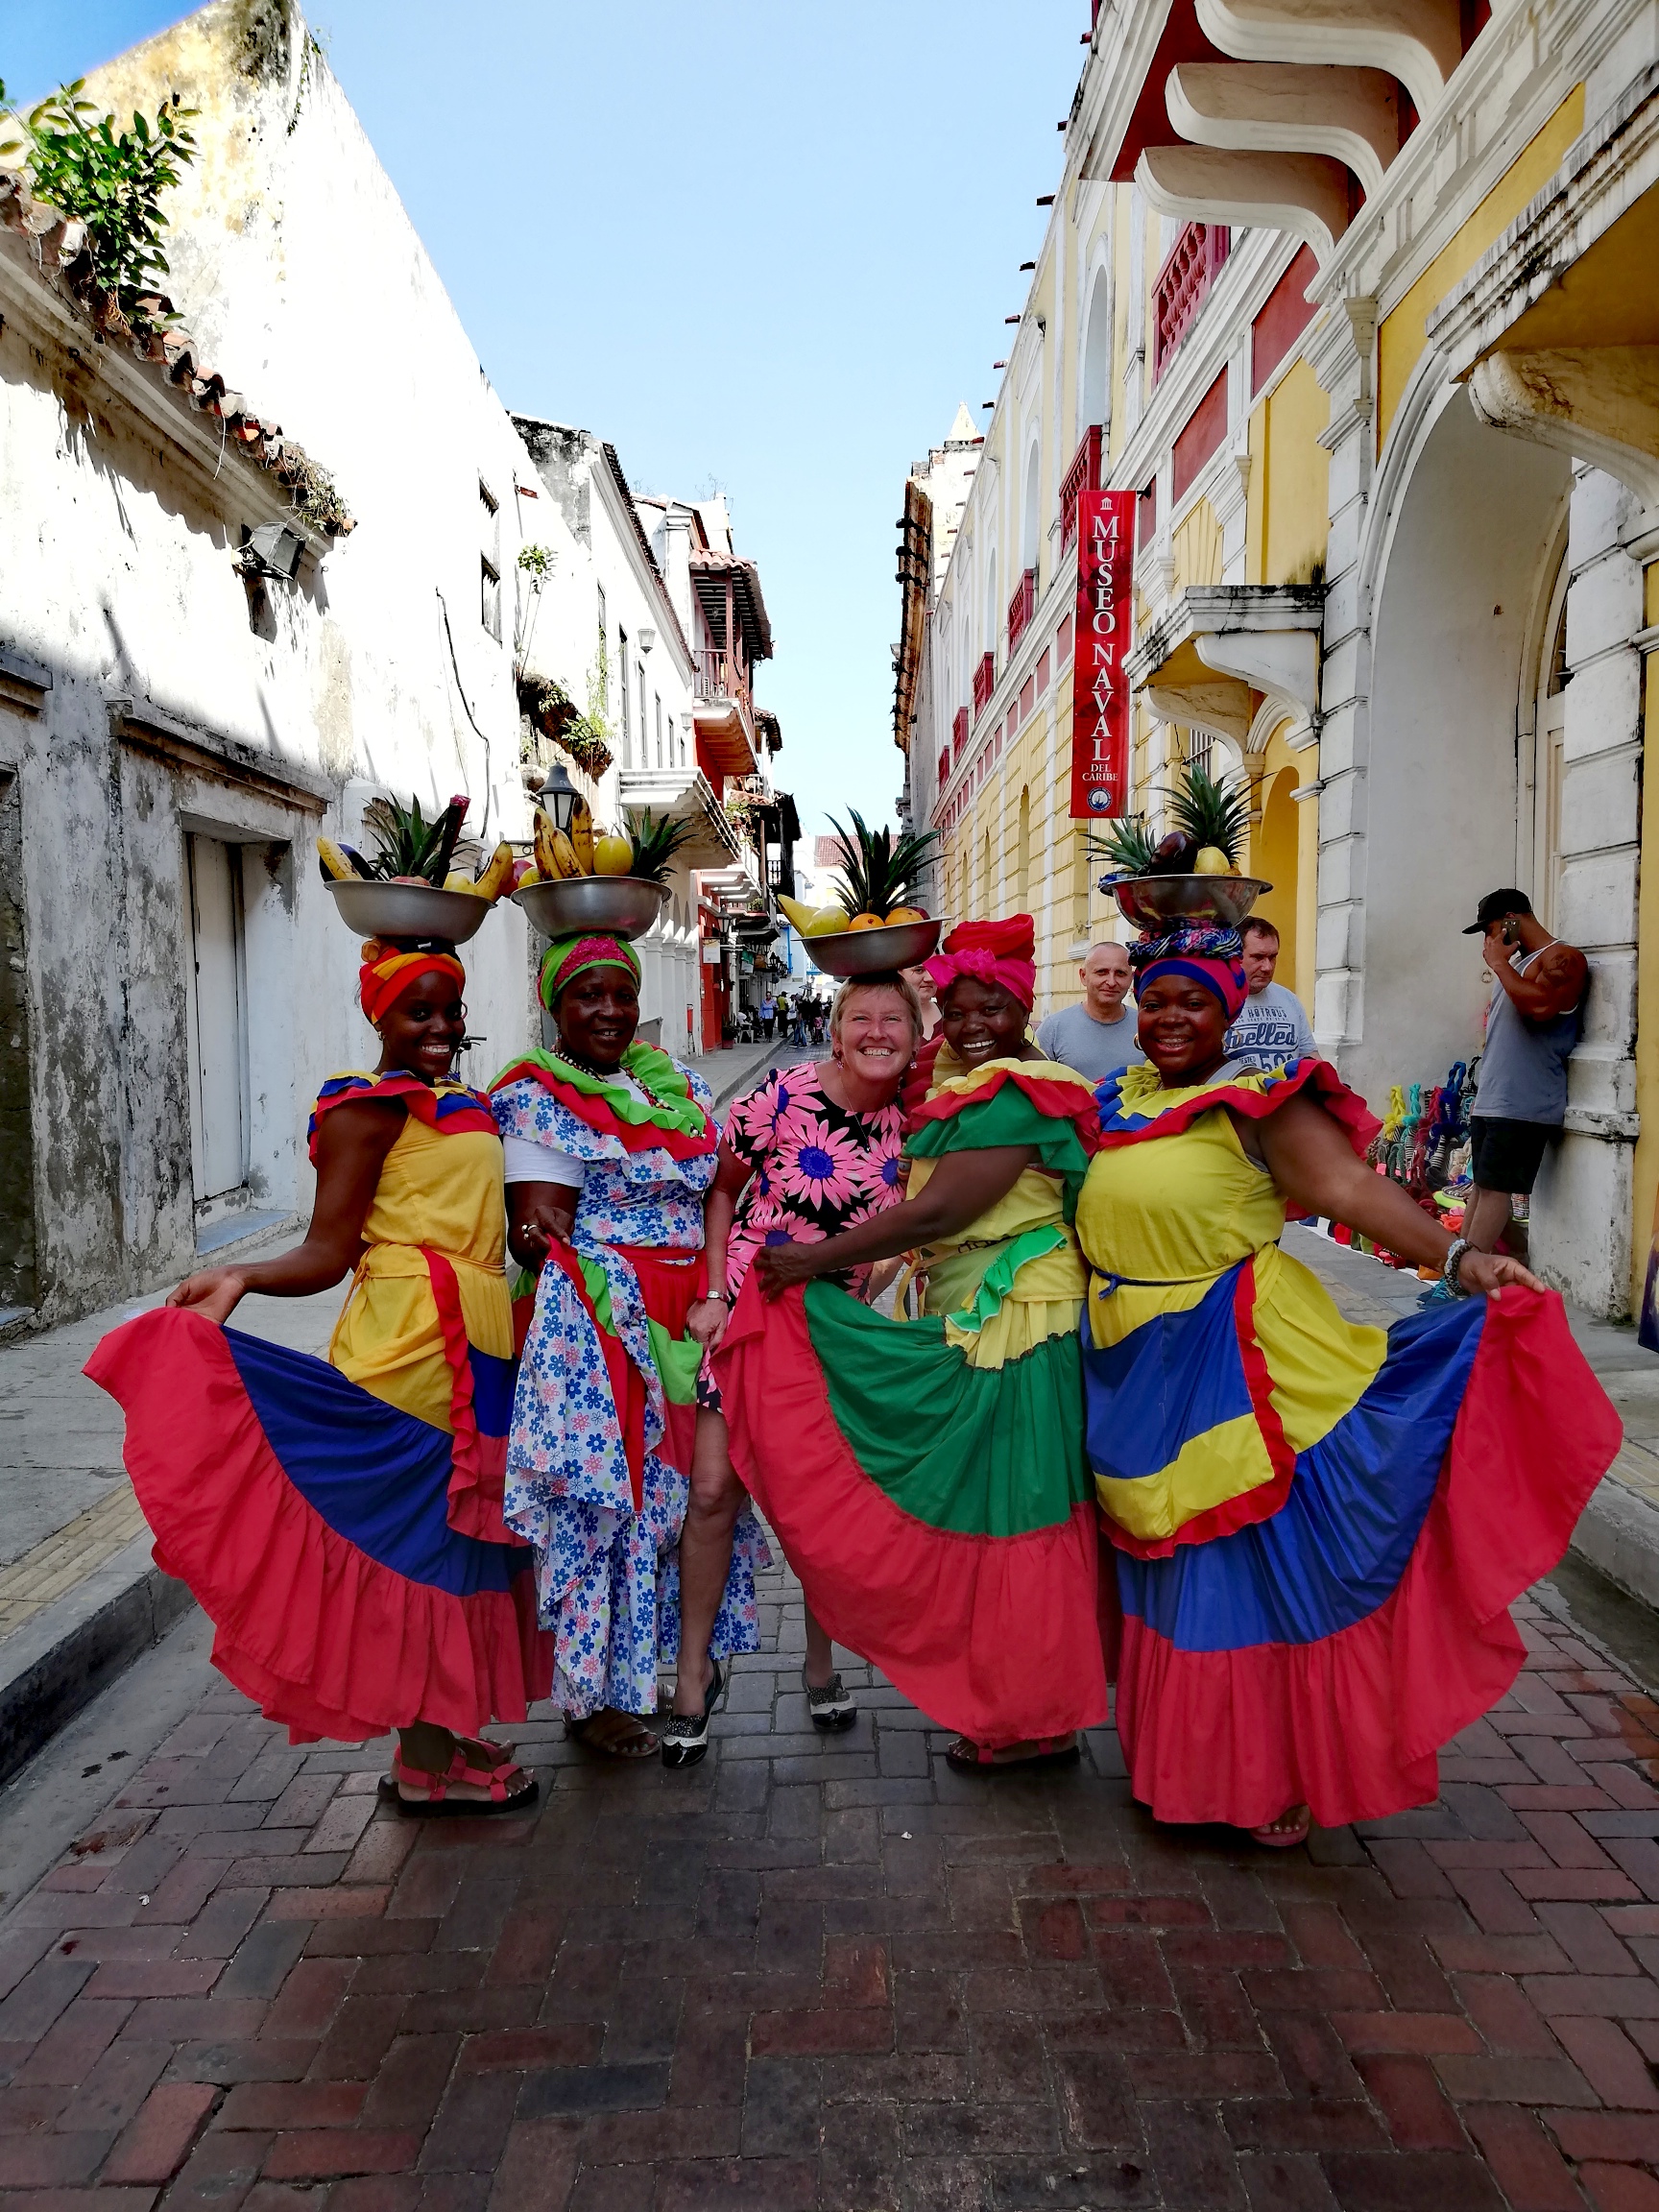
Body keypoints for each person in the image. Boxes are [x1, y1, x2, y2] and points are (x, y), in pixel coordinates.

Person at [1078, 916, 1621, 1846]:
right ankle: (1190, 1765)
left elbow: (1350, 1192)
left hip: (1240, 1360)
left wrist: (1459, 1259)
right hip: (1133, 1363)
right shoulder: (1116, 1101)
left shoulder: (1257, 1104)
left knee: (1249, 1567)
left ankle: (1275, 1774)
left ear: (1229, 1011)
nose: (1169, 1018)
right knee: (1174, 1568)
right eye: (1154, 999)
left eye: (1192, 1004)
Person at [85, 940, 553, 1813]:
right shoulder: (363, 1110)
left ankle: (435, 1738)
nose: (442, 1029)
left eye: (450, 1011)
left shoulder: (469, 1104)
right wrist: (244, 1278)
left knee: (453, 1541)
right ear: (379, 1017)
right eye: (420, 1012)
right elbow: (329, 1250)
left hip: (483, 1337)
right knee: (410, 1541)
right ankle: (425, 1757)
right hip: (410, 1344)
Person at [720, 918, 1110, 1771]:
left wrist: (813, 1259)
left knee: (1022, 1514)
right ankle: (1028, 1709)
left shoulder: (1021, 1088)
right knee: (1009, 1510)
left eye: (993, 1008)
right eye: (960, 1010)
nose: (974, 1025)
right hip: (983, 1315)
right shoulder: (970, 1085)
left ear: (1024, 1006)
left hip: (1022, 1322)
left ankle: (1032, 1719)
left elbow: (941, 1213)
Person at [489, 933, 766, 1757]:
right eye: (587, 996)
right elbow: (535, 1227)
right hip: (606, 1322)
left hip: (693, 1311)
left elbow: (720, 1178)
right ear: (554, 1006)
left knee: (690, 1499)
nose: (608, 1010)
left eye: (620, 994)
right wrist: (548, 1245)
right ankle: (598, 1700)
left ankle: (671, 1669)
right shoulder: (537, 1095)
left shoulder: (671, 1082)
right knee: (615, 1505)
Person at [664, 974, 922, 1766]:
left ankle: (820, 1666)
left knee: (818, 1503)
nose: (877, 1032)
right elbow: (721, 1192)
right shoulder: (783, 1094)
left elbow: (911, 1226)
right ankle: (690, 1675)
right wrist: (711, 1293)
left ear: (915, 1034)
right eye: (860, 1019)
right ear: (836, 1030)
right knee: (712, 1491)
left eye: (894, 1020)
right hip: (750, 1310)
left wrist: (876, 1292)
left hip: (835, 1327)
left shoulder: (920, 1121)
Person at [1462, 888, 1587, 1263]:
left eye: (1491, 928)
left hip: (1524, 1102)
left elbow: (1541, 1007)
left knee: (1496, 1190)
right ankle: (1456, 1270)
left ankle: (1466, 1278)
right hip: (1494, 1099)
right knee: (1481, 1190)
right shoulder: (1518, 965)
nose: (1488, 941)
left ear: (1512, 919)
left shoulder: (1563, 959)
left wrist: (1498, 965)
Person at [1035, 940, 1143, 1082]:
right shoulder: (1054, 1029)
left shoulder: (1145, 1026)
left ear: (1131, 978)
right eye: (1101, 972)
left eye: (1120, 973)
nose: (1111, 982)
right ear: (1083, 976)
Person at [1222, 918, 1315, 1071]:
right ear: (1234, 956)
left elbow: (1309, 1056)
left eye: (1272, 957)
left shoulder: (1289, 999)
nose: (1267, 967)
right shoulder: (1216, 1001)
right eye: (1258, 957)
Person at [901, 962, 942, 1040]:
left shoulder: (950, 1014)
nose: (930, 978)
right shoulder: (881, 1017)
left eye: (934, 969)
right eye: (919, 970)